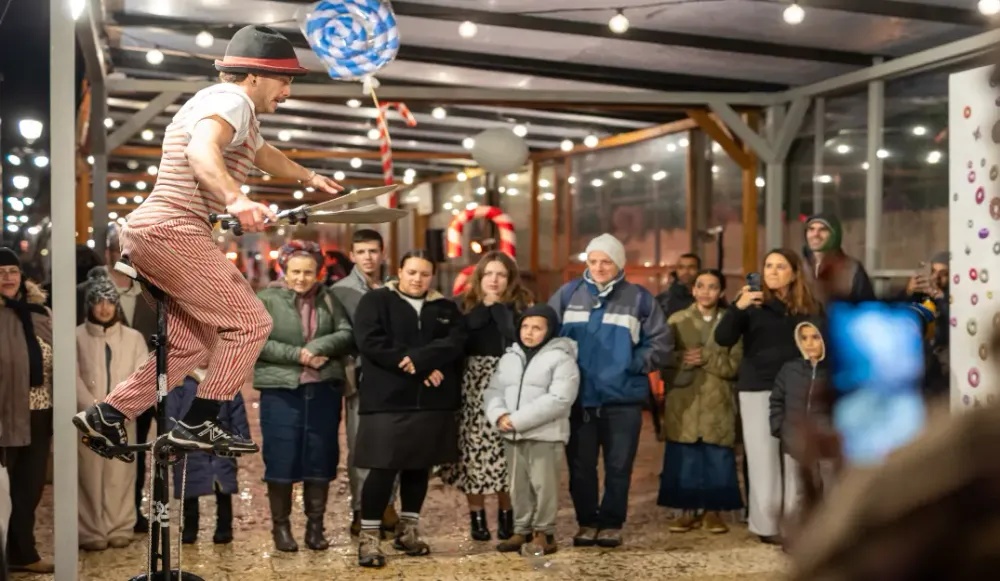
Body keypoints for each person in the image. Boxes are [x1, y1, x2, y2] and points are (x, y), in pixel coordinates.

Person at [73, 24, 344, 456]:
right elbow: (201, 150)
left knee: (193, 343)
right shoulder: (231, 99)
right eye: (284, 79)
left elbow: (265, 154)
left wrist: (310, 176)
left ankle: (108, 413)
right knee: (251, 322)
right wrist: (236, 199)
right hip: (173, 230)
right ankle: (201, 421)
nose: (288, 91)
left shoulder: (236, 111)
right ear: (254, 75)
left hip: (151, 233)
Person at [548, 233, 671, 548]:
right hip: (580, 399)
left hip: (623, 400)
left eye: (606, 261)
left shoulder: (640, 298)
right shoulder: (567, 294)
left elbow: (661, 342)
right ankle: (587, 522)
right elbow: (547, 335)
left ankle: (612, 523)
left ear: (619, 264)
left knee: (619, 466)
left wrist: (632, 362)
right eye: (593, 261)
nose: (599, 267)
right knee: (580, 468)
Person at [352, 251, 467, 568]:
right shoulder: (376, 302)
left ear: (433, 276)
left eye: (425, 274)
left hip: (432, 402)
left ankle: (408, 530)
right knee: (382, 468)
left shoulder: (445, 307)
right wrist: (416, 365)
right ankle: (370, 538)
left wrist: (424, 360)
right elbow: (371, 341)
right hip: (387, 401)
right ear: (399, 271)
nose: (418, 279)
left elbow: (456, 341)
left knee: (420, 467)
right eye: (412, 272)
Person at [714, 249, 821, 544]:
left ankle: (795, 524)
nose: (772, 272)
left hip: (797, 388)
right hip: (757, 387)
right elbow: (722, 338)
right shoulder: (751, 303)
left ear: (794, 272)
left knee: (795, 457)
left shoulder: (809, 306)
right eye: (768, 266)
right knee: (762, 457)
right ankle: (766, 525)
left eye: (780, 266)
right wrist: (738, 307)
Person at [255, 241, 354, 552]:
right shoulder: (266, 299)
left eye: (308, 272)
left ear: (318, 272)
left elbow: (346, 332)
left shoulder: (329, 298)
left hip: (322, 388)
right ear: (284, 270)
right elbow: (258, 341)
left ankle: (315, 526)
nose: (301, 278)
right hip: (281, 391)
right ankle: (281, 528)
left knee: (320, 455)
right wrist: (297, 354)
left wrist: (318, 348)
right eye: (295, 271)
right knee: (281, 457)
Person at [438, 251, 532, 542]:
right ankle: (477, 519)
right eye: (489, 274)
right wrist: (484, 308)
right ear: (479, 277)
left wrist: (500, 310)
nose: (494, 279)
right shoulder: (462, 307)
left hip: (509, 385)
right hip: (472, 387)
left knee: (507, 454)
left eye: (501, 274)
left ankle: (507, 516)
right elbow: (456, 342)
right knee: (474, 454)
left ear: (509, 279)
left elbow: (520, 339)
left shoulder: (520, 310)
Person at [484, 304, 579, 555]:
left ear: (549, 331)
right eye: (525, 326)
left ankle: (544, 533)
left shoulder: (561, 358)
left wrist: (517, 419)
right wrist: (500, 415)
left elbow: (560, 398)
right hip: (512, 434)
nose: (529, 332)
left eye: (537, 328)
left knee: (543, 486)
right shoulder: (510, 357)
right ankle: (521, 529)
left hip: (545, 435)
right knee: (518, 486)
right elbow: (494, 390)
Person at [658, 269, 743, 534]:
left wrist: (707, 357)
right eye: (701, 286)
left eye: (713, 287)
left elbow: (735, 366)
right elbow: (662, 361)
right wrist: (682, 359)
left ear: (722, 293)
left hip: (718, 399)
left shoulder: (732, 322)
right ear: (693, 290)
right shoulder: (676, 320)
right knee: (685, 458)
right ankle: (686, 512)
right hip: (685, 400)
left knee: (717, 458)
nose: (706, 291)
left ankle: (713, 512)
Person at [331, 229, 399, 537]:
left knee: (395, 443)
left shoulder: (397, 287)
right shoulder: (340, 290)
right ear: (353, 255)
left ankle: (387, 504)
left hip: (395, 377)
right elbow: (340, 335)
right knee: (360, 445)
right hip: (359, 376)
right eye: (362, 252)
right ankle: (360, 508)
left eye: (373, 251)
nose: (368, 257)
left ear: (382, 253)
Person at [76, 268, 149, 551]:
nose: (104, 308)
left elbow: (141, 376)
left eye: (109, 301)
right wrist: (92, 410)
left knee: (121, 475)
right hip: (87, 421)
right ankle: (91, 529)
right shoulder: (77, 337)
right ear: (90, 305)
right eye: (98, 301)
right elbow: (74, 377)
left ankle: (121, 525)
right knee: (90, 476)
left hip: (122, 419)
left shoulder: (133, 338)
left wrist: (119, 409)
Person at [0, 247, 54, 573]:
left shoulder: (40, 313)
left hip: (41, 412)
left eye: (12, 271)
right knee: (3, 492)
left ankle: (24, 552)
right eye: (1, 272)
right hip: (5, 412)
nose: (7, 277)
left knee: (30, 488)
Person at [103, 225, 159, 534]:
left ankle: (133, 510)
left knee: (137, 449)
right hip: (103, 386)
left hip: (144, 387)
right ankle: (103, 514)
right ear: (108, 254)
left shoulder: (153, 292)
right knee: (102, 451)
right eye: (120, 253)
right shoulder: (90, 292)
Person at [167, 372, 249, 545]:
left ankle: (224, 528)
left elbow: (237, 411)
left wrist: (241, 438)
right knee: (188, 488)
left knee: (223, 487)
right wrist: (171, 439)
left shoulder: (225, 381)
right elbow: (170, 414)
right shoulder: (180, 384)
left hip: (220, 442)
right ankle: (190, 528)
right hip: (189, 445)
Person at [769, 321, 835, 526]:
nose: (809, 343)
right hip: (795, 441)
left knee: (831, 489)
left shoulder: (835, 371)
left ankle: (832, 536)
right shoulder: (790, 370)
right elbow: (776, 400)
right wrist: (780, 428)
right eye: (804, 338)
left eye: (815, 337)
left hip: (826, 444)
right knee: (797, 490)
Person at [902, 251, 949, 401]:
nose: (936, 278)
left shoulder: (952, 297)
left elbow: (954, 323)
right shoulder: (921, 296)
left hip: (945, 366)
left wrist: (940, 297)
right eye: (933, 272)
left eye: (944, 274)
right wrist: (908, 292)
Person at [801, 213, 875, 303]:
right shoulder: (799, 267)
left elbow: (866, 308)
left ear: (834, 235)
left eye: (823, 230)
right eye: (811, 229)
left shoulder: (852, 269)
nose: (816, 234)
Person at [655, 253, 700, 320]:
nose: (686, 271)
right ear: (676, 270)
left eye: (691, 267)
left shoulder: (706, 298)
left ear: (699, 270)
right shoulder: (663, 300)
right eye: (681, 267)